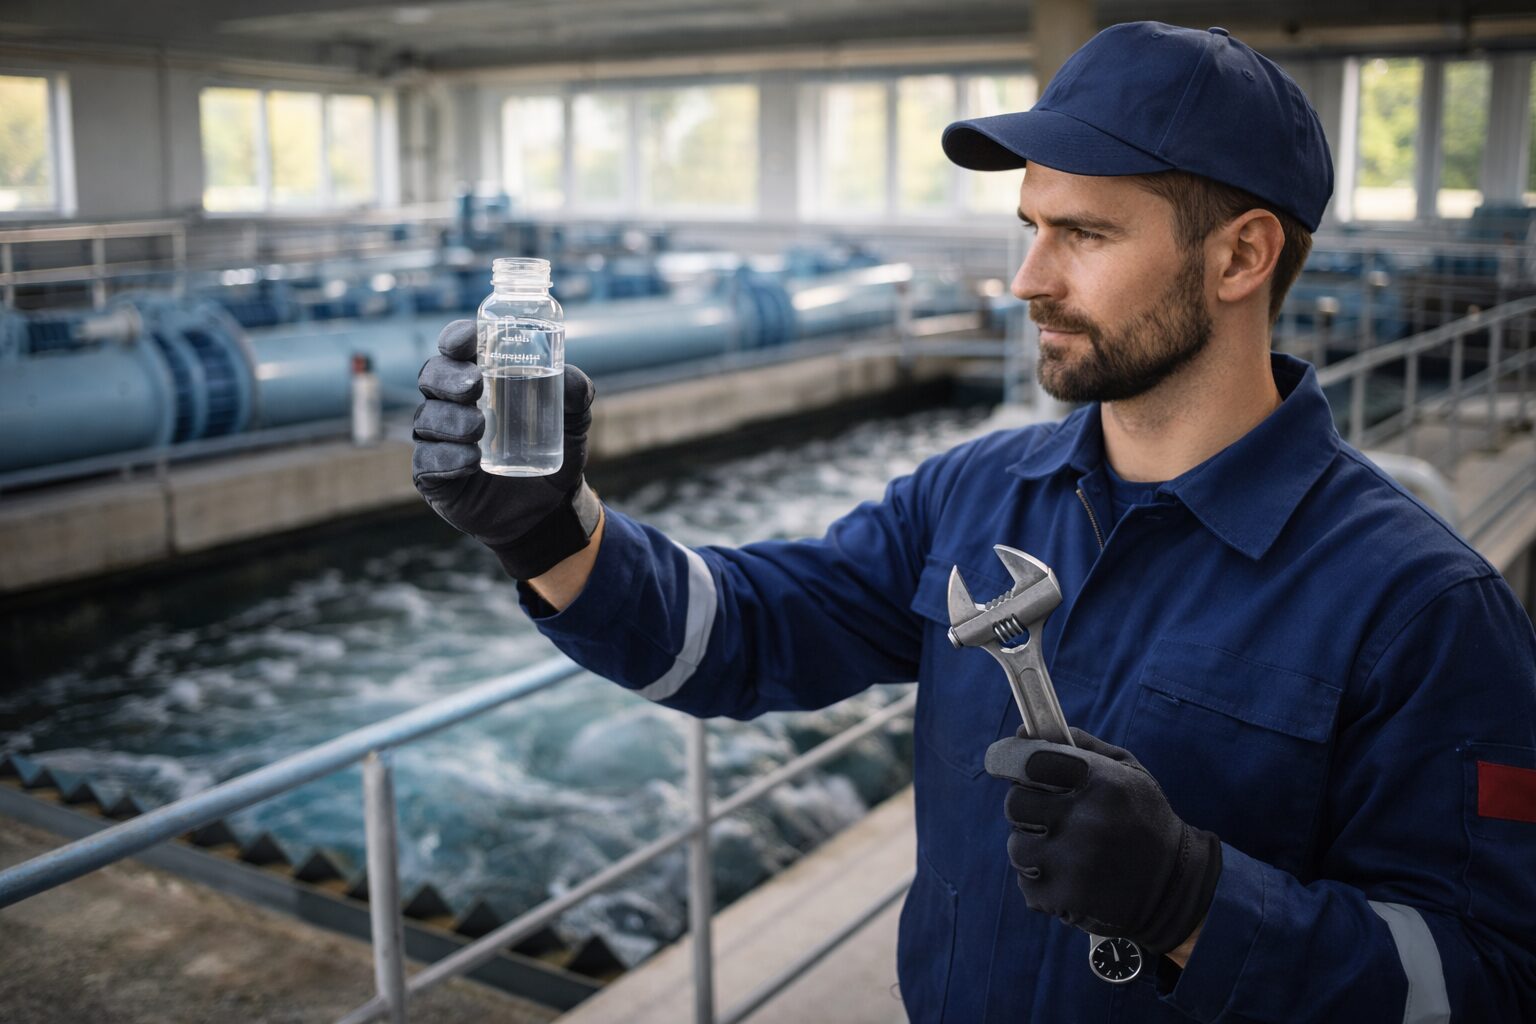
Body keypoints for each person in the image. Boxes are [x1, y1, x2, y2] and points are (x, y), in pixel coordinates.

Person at [412, 22, 1536, 1022]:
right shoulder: (970, 495)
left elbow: (1488, 981)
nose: (1025, 278)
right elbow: (741, 632)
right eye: (1029, 224)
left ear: (1242, 255)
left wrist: (1200, 902)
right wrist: (550, 532)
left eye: (1084, 235)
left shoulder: (1425, 608)